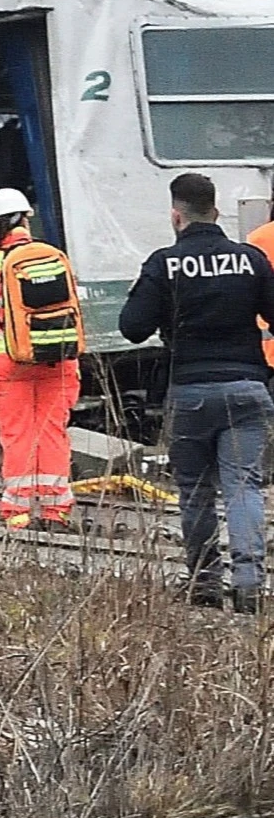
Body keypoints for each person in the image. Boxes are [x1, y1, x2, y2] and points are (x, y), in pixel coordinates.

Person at [120, 173, 274, 610]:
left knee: (195, 491)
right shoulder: (251, 260)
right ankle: (249, 584)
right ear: (217, 211)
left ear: (176, 215)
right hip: (248, 389)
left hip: (191, 391)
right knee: (244, 486)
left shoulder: (164, 263)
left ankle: (204, 584)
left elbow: (132, 328)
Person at [0, 187, 84, 534]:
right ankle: (56, 512)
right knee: (53, 433)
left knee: (17, 435)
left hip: (8, 366)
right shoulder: (52, 256)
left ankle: (18, 515)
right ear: (26, 219)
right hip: (58, 362)